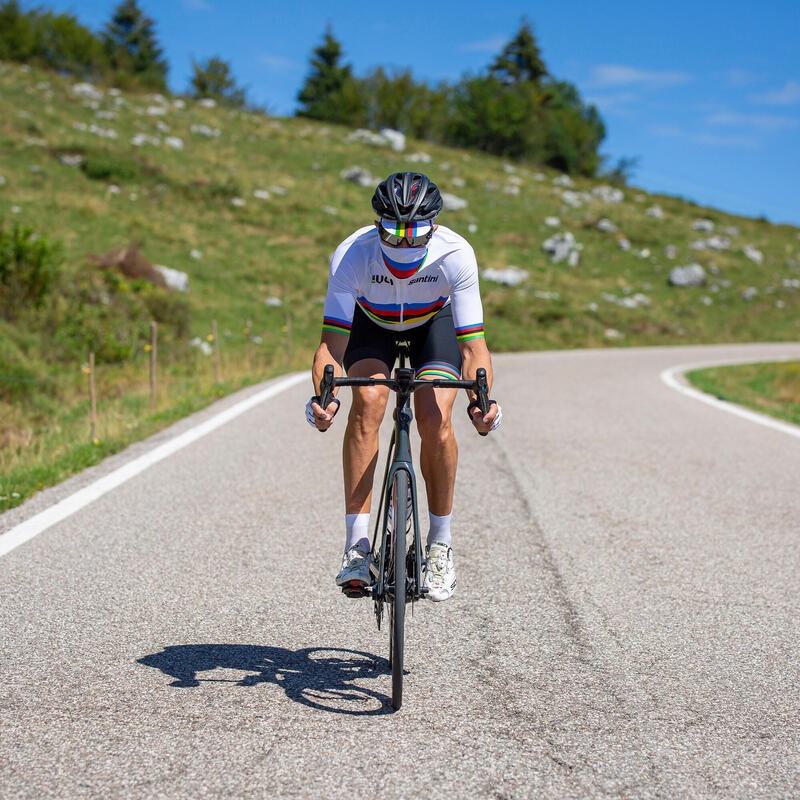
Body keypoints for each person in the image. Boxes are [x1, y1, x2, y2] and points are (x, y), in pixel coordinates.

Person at [306, 172, 501, 602]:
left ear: (435, 226)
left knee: (435, 418)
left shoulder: (456, 254)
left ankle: (440, 545)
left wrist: (481, 403)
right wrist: (324, 398)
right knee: (370, 401)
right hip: (371, 325)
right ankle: (357, 548)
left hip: (434, 324)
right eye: (395, 232)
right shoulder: (352, 255)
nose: (406, 242)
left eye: (417, 233)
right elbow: (331, 346)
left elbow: (474, 347)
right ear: (378, 225)